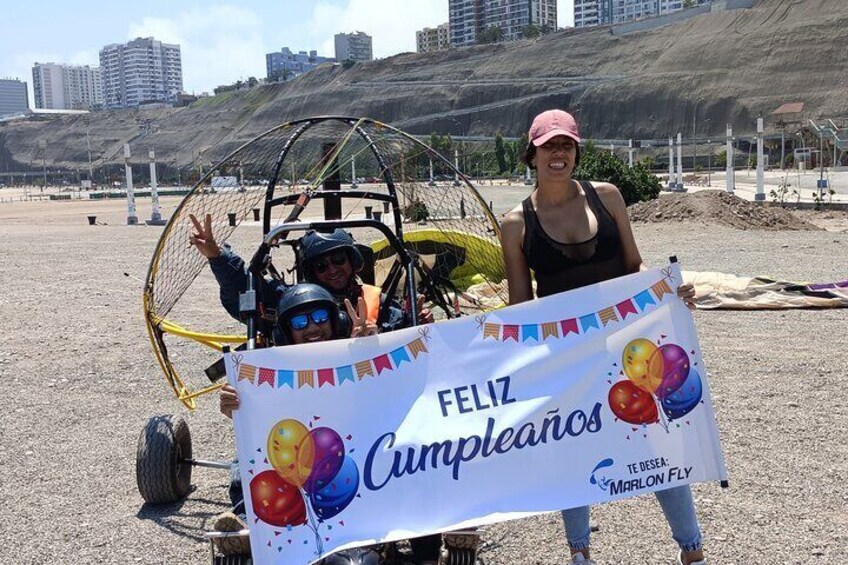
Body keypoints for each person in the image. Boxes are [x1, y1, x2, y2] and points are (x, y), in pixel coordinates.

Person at [499, 109, 703, 565]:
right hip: (566, 354)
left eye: (566, 144)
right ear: (531, 154)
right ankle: (580, 554)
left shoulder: (607, 197)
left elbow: (634, 267)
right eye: (549, 145)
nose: (558, 153)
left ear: (576, 151)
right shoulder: (515, 224)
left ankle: (693, 552)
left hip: (628, 344)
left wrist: (669, 291)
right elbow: (520, 305)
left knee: (657, 440)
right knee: (575, 451)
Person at [216, 283, 441, 564]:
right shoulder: (269, 374)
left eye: (321, 318)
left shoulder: (357, 356)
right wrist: (237, 408)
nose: (313, 327)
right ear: (286, 332)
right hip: (303, 469)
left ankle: (430, 555)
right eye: (300, 322)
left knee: (417, 465)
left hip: (361, 463)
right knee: (248, 465)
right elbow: (260, 430)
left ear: (336, 323)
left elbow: (396, 397)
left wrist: (371, 348)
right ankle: (245, 525)